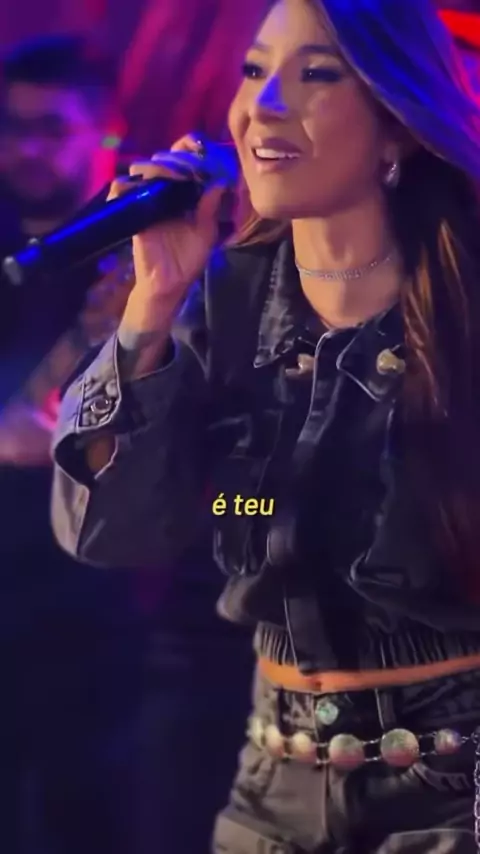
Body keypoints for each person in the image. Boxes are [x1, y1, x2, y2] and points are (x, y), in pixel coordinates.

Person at [51, 0, 480, 850]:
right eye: (253, 72)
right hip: (270, 783)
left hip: (455, 789)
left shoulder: (462, 303)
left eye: (315, 74)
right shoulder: (223, 303)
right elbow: (117, 531)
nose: (265, 105)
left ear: (397, 126)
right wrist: (152, 302)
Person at [0, 35, 144, 854]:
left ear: (104, 131)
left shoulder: (135, 254)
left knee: (83, 805)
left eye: (51, 128)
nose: (26, 148)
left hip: (91, 600)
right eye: (12, 127)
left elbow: (218, 481)